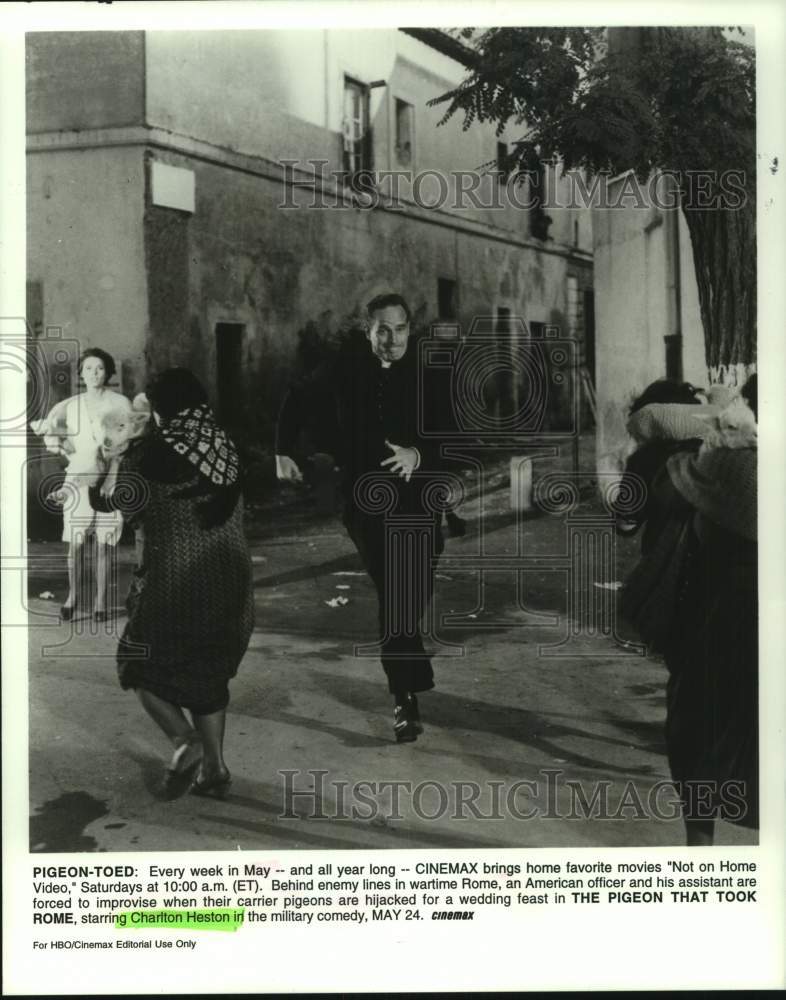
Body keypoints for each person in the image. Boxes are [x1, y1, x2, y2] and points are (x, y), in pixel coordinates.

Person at [276, 293, 446, 742]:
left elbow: (458, 435)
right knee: (396, 587)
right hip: (367, 500)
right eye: (382, 330)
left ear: (410, 328)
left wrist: (419, 452)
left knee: (414, 587)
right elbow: (296, 395)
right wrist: (281, 449)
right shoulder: (344, 370)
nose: (392, 340)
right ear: (367, 330)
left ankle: (408, 673)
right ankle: (404, 699)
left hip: (421, 497)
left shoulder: (428, 374)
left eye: (401, 329)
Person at [92, 368, 254, 797]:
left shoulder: (147, 454)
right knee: (208, 674)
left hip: (173, 582)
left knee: (138, 663)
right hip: (230, 581)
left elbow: (117, 506)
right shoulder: (226, 445)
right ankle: (215, 772)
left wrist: (105, 464)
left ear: (163, 409)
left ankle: (186, 742)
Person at [620, 376, 758, 844]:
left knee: (694, 724)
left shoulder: (712, 463)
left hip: (705, 613)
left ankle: (699, 840)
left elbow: (629, 510)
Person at [36, 348, 132, 622]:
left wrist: (112, 476)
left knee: (104, 543)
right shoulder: (71, 406)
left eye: (99, 368)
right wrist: (60, 443)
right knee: (76, 543)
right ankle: (73, 598)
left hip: (110, 479)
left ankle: (101, 602)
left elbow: (125, 444)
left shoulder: (120, 403)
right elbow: (61, 441)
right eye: (88, 368)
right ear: (81, 373)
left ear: (109, 372)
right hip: (79, 476)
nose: (94, 374)